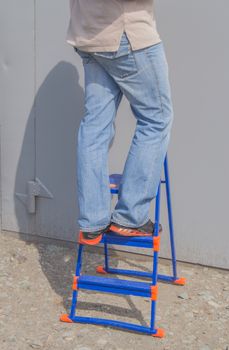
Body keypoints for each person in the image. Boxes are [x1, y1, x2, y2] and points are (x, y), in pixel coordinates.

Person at [66, 0, 174, 245]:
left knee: (95, 127)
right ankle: (130, 216)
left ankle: (92, 221)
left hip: (89, 34)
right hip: (127, 36)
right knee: (156, 120)